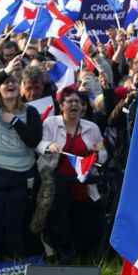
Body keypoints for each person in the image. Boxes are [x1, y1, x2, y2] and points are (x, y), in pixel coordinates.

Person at [0, 55, 42, 260]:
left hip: (19, 177)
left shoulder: (30, 112)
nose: (10, 83)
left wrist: (14, 120)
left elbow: (33, 139)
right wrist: (5, 71)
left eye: (13, 81)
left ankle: (17, 267)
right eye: (5, 82)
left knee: (16, 224)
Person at [35, 88, 107, 262]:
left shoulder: (92, 127)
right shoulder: (50, 123)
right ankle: (64, 253)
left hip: (83, 182)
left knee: (84, 220)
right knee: (60, 219)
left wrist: (96, 154)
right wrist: (49, 146)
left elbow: (103, 156)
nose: (75, 105)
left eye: (78, 102)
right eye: (70, 101)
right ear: (61, 106)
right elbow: (39, 145)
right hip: (57, 182)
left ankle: (85, 256)